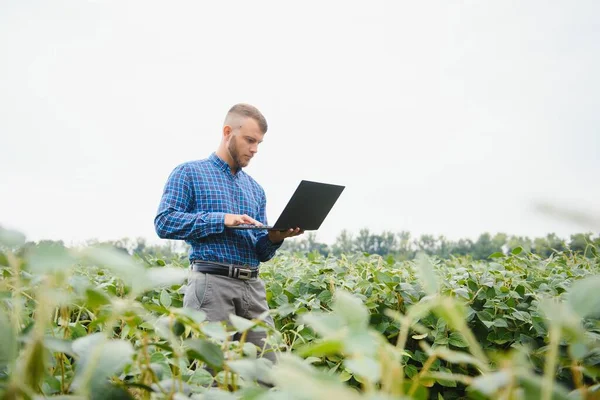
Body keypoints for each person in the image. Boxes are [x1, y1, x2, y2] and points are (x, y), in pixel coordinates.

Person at [154, 103, 303, 364]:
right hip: (211, 285)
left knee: (269, 370)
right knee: (212, 374)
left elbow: (261, 251)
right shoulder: (189, 173)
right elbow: (165, 222)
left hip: (252, 287)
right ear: (227, 132)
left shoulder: (255, 190)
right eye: (249, 140)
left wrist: (275, 237)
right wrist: (221, 220)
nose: (254, 149)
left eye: (259, 143)